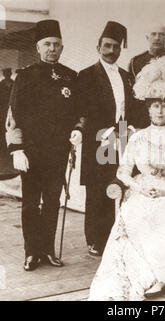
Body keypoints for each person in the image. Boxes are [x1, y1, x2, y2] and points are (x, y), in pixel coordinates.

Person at [88, 56, 165, 301]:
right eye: (155, 106)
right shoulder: (137, 137)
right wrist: (140, 188)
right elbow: (123, 171)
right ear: (148, 109)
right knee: (137, 215)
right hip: (143, 189)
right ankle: (142, 274)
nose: (159, 111)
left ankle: (162, 276)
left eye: (164, 106)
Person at [5, 20, 80, 271]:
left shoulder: (71, 76)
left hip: (58, 153)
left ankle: (47, 250)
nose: (52, 48)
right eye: (47, 44)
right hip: (32, 153)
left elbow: (80, 112)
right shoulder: (25, 76)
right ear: (38, 48)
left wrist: (78, 130)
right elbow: (13, 116)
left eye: (56, 45)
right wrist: (17, 149)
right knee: (30, 203)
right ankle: (31, 252)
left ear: (62, 48)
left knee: (51, 202)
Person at [75, 21, 134, 257]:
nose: (111, 51)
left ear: (120, 49)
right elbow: (82, 110)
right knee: (98, 189)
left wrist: (130, 130)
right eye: (107, 46)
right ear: (98, 46)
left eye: (116, 47)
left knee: (118, 184)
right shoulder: (86, 75)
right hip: (100, 138)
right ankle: (95, 240)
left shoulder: (127, 76)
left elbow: (133, 108)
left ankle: (114, 236)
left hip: (124, 138)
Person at [128, 22, 165, 129]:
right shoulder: (136, 62)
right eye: (153, 34)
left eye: (161, 34)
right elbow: (133, 95)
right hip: (142, 120)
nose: (157, 38)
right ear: (147, 37)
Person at [0, 68, 14, 150]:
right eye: (6, 73)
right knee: (2, 125)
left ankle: (11, 144)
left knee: (11, 125)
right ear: (4, 75)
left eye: (8, 73)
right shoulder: (1, 84)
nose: (7, 75)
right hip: (2, 108)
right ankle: (3, 145)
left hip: (12, 107)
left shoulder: (14, 83)